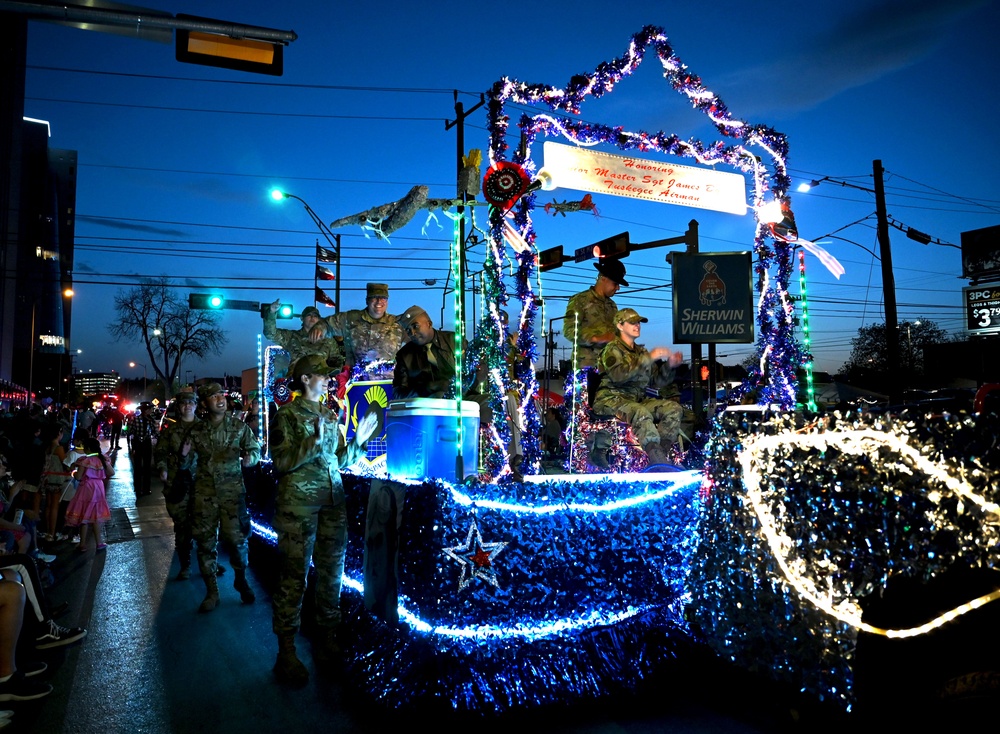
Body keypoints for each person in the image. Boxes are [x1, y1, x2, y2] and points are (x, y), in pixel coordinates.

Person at [269, 354, 378, 686]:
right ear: (305, 380)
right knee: (294, 578)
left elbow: (338, 459)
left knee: (332, 575)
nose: (329, 380)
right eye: (323, 375)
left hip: (333, 503)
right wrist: (312, 442)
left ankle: (326, 638)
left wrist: (358, 444)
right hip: (299, 506)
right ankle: (286, 652)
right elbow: (282, 462)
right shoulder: (286, 415)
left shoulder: (331, 415)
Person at [180, 383, 261, 613]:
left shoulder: (238, 427)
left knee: (238, 542)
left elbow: (254, 450)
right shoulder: (195, 432)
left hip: (232, 496)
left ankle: (241, 579)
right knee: (205, 544)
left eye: (221, 395)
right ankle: (212, 592)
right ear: (205, 403)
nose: (220, 399)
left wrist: (249, 458)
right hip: (204, 497)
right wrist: (183, 456)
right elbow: (185, 466)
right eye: (213, 396)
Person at [592, 307, 684, 467]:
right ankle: (658, 461)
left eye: (639, 323)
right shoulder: (612, 349)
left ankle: (660, 455)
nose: (637, 326)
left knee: (673, 409)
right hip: (611, 400)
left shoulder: (641, 352)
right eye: (632, 322)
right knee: (641, 413)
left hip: (635, 400)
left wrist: (669, 366)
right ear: (620, 326)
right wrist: (648, 358)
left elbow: (656, 382)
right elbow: (618, 376)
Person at [154, 389, 200, 580]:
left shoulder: (205, 428)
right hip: (177, 482)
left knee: (206, 524)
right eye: (183, 403)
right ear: (179, 407)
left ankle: (209, 562)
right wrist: (162, 468)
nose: (187, 406)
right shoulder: (171, 430)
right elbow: (161, 452)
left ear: (196, 405)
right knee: (181, 525)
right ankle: (185, 564)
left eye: (190, 403)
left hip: (201, 482)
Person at [310, 283, 404, 370]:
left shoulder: (397, 323)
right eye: (374, 297)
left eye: (383, 298)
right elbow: (326, 323)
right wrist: (319, 328)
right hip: (357, 381)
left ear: (387, 301)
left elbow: (416, 333)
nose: (379, 301)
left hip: (388, 382)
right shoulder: (351, 319)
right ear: (367, 300)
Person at [563, 258, 628, 371]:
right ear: (603, 279)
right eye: (615, 283)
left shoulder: (612, 305)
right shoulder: (580, 300)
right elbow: (569, 331)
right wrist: (597, 338)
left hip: (609, 368)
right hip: (586, 367)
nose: (618, 288)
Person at [64, 436, 113, 552]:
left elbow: (78, 477)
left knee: (84, 515)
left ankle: (82, 544)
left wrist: (73, 473)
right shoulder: (102, 459)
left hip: (87, 487)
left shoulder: (85, 461)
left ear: (89, 448)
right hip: (99, 487)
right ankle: (99, 543)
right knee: (95, 516)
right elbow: (111, 472)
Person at [263, 300, 344, 368]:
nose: (312, 318)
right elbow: (270, 333)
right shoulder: (291, 336)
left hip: (320, 380)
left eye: (315, 316)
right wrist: (271, 313)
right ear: (302, 318)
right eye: (309, 315)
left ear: (319, 320)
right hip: (297, 380)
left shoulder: (328, 340)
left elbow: (336, 360)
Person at [131, 402, 156, 496]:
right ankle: (142, 488)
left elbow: (154, 432)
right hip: (141, 443)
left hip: (143, 443)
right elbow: (131, 432)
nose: (151, 411)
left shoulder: (149, 420)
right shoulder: (138, 419)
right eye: (150, 409)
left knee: (143, 467)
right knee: (141, 467)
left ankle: (142, 488)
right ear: (146, 410)